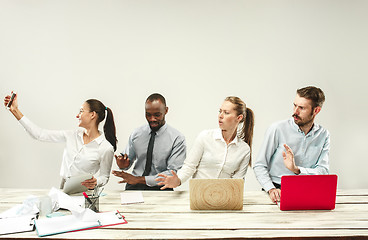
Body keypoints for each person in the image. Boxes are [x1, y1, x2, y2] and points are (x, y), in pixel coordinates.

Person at [4, 92, 117, 189]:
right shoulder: (72, 135)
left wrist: (97, 182)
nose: (77, 115)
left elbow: (104, 176)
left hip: (85, 193)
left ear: (92, 115)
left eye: (81, 111)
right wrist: (15, 110)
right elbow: (39, 134)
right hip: (63, 188)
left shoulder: (106, 148)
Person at [156, 96, 254, 190]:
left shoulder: (244, 149)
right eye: (220, 111)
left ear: (239, 118)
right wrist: (178, 180)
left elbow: (237, 182)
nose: (220, 116)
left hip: (225, 199)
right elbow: (189, 166)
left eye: (226, 113)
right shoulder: (205, 137)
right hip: (199, 195)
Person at [253, 86, 330, 203]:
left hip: (308, 190)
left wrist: (297, 170)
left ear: (316, 111)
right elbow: (259, 165)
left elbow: (323, 170)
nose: (295, 112)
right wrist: (271, 189)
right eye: (295, 105)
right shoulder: (277, 129)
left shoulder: (323, 134)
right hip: (277, 190)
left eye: (302, 108)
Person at [112, 93, 186, 190]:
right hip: (134, 186)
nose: (152, 119)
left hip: (162, 188)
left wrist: (139, 179)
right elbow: (126, 161)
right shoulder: (136, 134)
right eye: (148, 115)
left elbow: (172, 173)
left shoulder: (177, 138)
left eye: (157, 115)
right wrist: (122, 164)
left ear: (166, 110)